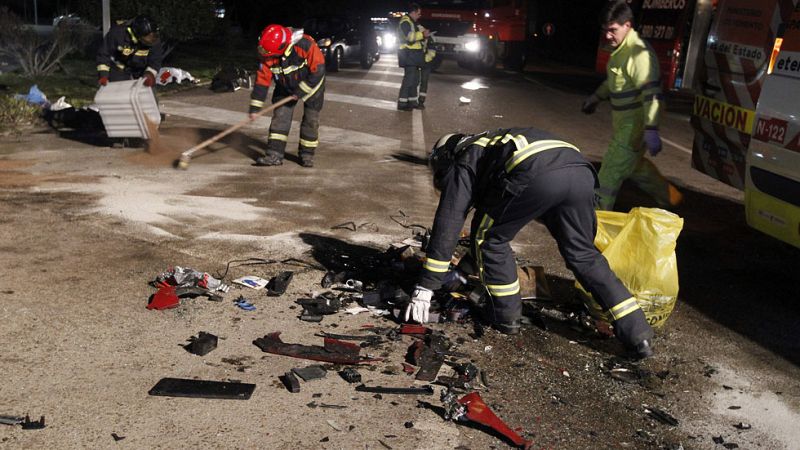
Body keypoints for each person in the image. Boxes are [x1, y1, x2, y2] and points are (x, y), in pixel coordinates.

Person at [403, 128, 654, 359]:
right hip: (580, 172)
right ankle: (638, 334)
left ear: (447, 158)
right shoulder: (491, 144)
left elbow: (450, 218)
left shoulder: (466, 157)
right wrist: (465, 269)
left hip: (536, 170)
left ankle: (506, 316)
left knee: (489, 239)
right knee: (584, 255)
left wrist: (427, 286)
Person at [582, 0, 682, 211]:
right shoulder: (620, 52)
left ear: (627, 25)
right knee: (635, 167)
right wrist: (596, 98)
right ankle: (671, 197)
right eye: (605, 30)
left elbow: (652, 94)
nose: (608, 35)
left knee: (610, 171)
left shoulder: (639, 55)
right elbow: (613, 81)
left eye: (612, 30)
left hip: (634, 126)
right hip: (624, 123)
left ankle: (596, 222)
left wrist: (651, 128)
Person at [250, 24, 326, 168]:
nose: (265, 56)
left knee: (311, 120)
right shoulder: (267, 54)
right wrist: (255, 108)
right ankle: (274, 155)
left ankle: (307, 155)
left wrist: (300, 91)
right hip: (284, 85)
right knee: (280, 117)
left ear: (281, 48)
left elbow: (318, 70)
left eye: (269, 54)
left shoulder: (305, 44)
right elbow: (262, 81)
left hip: (311, 85)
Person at [96, 15, 163, 87]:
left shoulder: (154, 40)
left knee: (146, 93)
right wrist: (103, 75)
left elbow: (155, 61)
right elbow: (104, 55)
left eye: (154, 36)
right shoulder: (117, 34)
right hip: (119, 69)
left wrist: (150, 74)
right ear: (138, 35)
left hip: (141, 70)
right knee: (119, 91)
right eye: (148, 37)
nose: (151, 39)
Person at [397, 3, 429, 111]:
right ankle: (402, 104)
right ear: (413, 12)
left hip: (413, 56)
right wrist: (422, 35)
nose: (419, 16)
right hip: (408, 54)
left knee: (414, 80)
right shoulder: (405, 22)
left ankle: (411, 102)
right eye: (418, 14)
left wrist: (425, 33)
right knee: (408, 80)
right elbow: (410, 37)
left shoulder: (413, 22)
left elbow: (421, 30)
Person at [417, 34, 437, 109]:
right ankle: (412, 100)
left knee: (424, 81)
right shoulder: (417, 36)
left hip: (426, 63)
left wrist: (424, 60)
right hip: (417, 62)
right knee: (414, 81)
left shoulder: (430, 38)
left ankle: (421, 102)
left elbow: (432, 52)